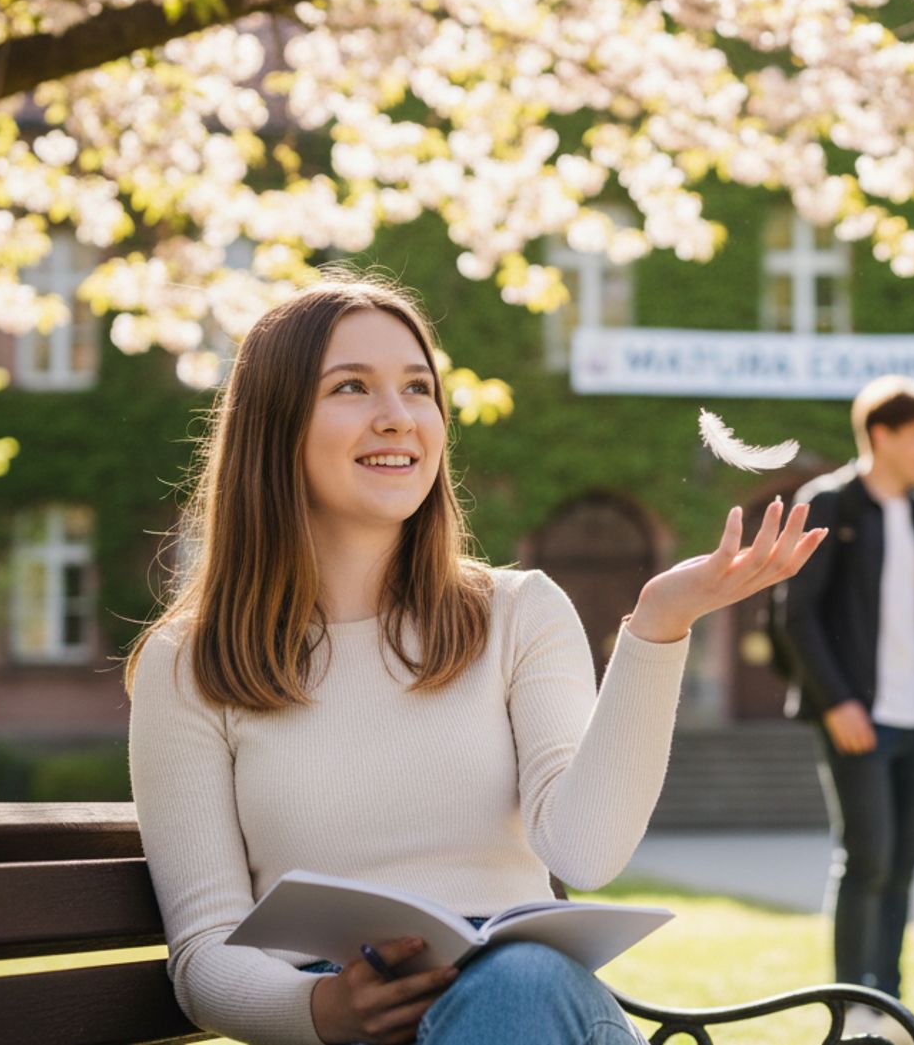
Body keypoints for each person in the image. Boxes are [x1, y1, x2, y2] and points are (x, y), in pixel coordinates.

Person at [126, 274, 825, 1045]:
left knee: (518, 986)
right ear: (275, 425)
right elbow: (203, 950)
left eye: (418, 388)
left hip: (523, 995)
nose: (398, 418)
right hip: (337, 1018)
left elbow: (585, 852)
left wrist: (659, 626)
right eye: (352, 387)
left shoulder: (518, 613)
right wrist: (324, 1010)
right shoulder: (189, 663)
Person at [778, 375, 914, 1043]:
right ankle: (852, 1007)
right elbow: (797, 614)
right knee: (868, 858)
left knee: (904, 863)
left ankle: (890, 1006)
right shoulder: (829, 500)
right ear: (881, 435)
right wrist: (838, 702)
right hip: (858, 716)